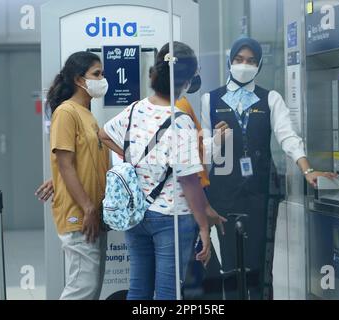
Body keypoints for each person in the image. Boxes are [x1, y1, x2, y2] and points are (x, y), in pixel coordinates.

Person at [201, 37, 337, 300]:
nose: (244, 65)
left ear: (259, 64)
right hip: (222, 192)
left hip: (262, 191)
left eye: (251, 61)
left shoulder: (270, 98)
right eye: (239, 59)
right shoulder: (211, 99)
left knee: (261, 263)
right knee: (229, 263)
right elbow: (204, 152)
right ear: (230, 61)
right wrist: (216, 143)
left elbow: (288, 137)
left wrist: (308, 170)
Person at [99, 41, 225, 300]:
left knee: (139, 289)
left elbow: (103, 133)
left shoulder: (135, 109)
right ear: (187, 81)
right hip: (170, 217)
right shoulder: (181, 121)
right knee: (167, 293)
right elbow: (189, 181)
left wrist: (133, 158)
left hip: (136, 214)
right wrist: (203, 226)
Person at [45, 51, 110, 300]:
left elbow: (82, 163)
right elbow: (65, 165)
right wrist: (88, 208)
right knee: (81, 291)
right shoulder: (66, 113)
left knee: (89, 289)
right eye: (96, 74)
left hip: (93, 213)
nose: (102, 79)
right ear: (78, 79)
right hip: (80, 215)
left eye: (102, 73)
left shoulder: (87, 114)